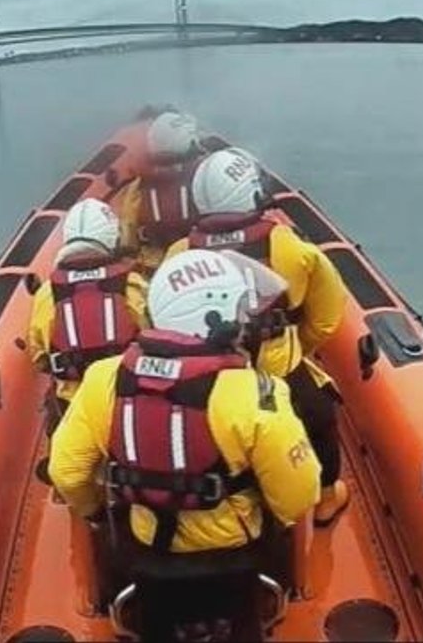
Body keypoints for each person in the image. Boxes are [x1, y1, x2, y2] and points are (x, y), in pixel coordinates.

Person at [49, 248, 320, 552]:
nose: (246, 321)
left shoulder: (102, 379)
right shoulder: (257, 393)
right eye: (241, 309)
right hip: (234, 548)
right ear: (214, 318)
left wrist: (97, 512)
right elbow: (299, 496)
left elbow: (67, 474)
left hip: (144, 541)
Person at [166, 147, 351, 526]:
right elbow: (328, 316)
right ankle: (326, 495)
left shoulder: (178, 254)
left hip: (207, 385)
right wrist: (299, 348)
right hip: (278, 374)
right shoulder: (289, 246)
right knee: (319, 417)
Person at [27, 198, 150, 433]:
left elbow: (39, 356)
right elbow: (151, 334)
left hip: (76, 406)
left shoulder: (46, 293)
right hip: (126, 400)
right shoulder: (132, 284)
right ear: (112, 238)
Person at [117, 110, 210, 277]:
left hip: (155, 270)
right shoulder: (205, 177)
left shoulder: (137, 186)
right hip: (200, 263)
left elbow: (127, 238)